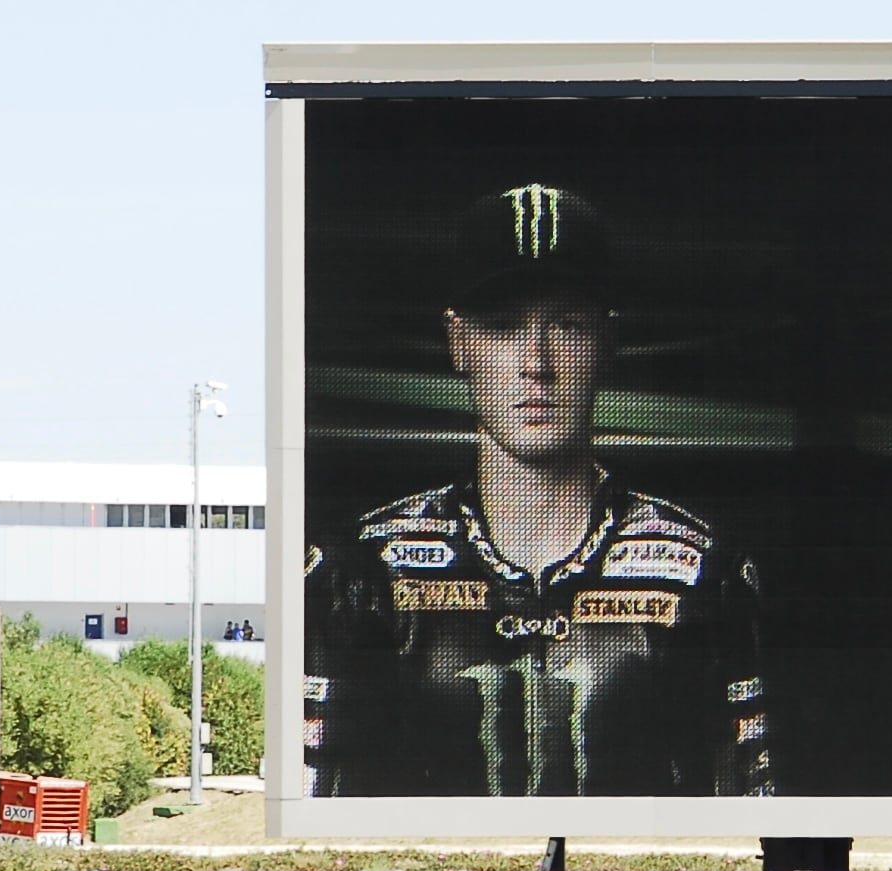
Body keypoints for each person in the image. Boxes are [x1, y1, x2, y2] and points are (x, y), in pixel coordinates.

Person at [305, 181, 771, 798]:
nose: (537, 361)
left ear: (608, 343)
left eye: (568, 326)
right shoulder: (359, 571)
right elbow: (315, 814)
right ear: (459, 343)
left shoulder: (704, 575)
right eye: (503, 326)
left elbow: (751, 811)